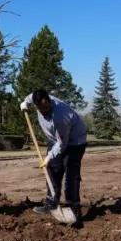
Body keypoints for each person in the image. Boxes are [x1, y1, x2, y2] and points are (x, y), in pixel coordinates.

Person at [21, 89, 88, 229]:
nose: (44, 110)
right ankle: (51, 203)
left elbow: (62, 144)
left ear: (49, 101)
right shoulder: (36, 99)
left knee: (71, 174)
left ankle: (73, 209)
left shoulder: (60, 116)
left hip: (75, 141)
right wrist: (24, 103)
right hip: (55, 140)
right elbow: (29, 96)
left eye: (46, 107)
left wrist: (49, 156)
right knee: (52, 169)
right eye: (40, 108)